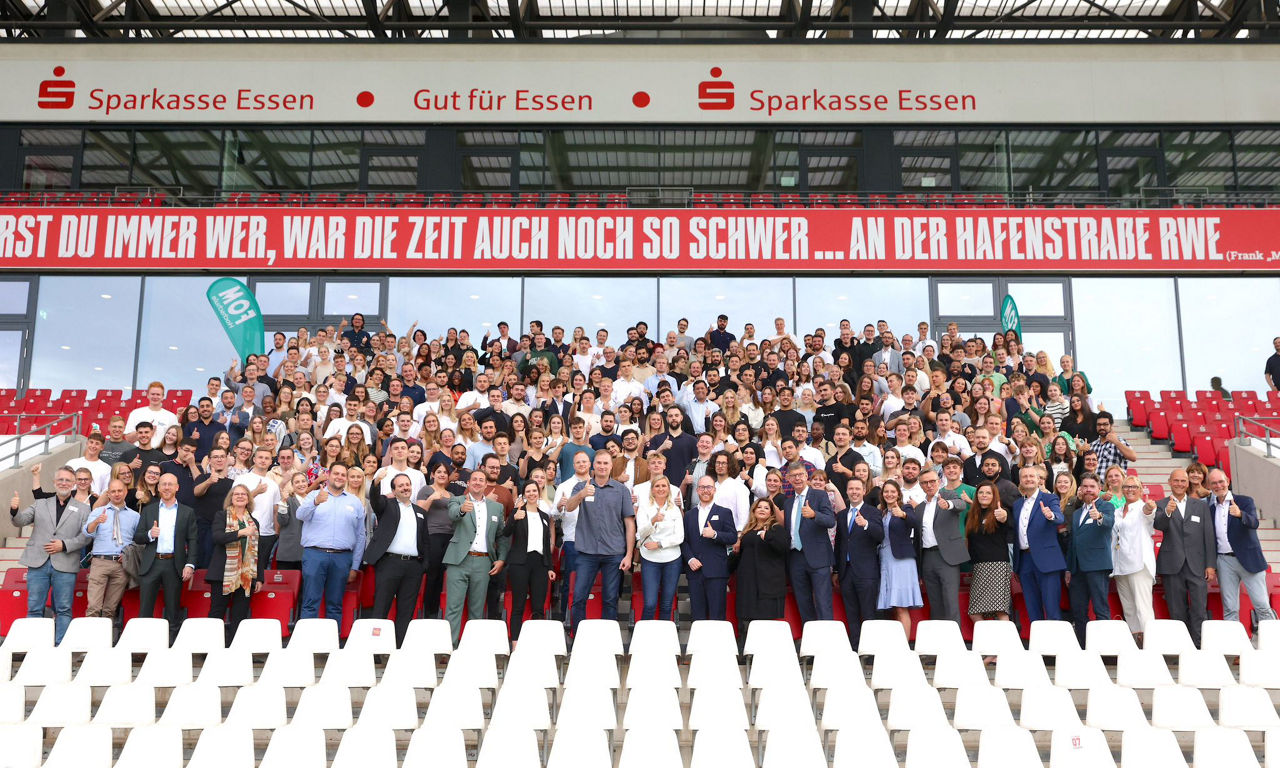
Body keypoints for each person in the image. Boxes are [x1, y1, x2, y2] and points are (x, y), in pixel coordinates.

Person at [566, 452, 636, 634]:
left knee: (610, 599)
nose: (602, 466)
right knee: (579, 597)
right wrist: (582, 494)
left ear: (611, 466)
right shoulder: (582, 486)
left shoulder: (621, 490)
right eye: (599, 463)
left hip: (613, 553)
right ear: (593, 465)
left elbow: (630, 524)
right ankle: (578, 638)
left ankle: (609, 641)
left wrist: (629, 555)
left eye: (606, 463)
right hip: (587, 552)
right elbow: (569, 507)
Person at [444, 470, 509, 646]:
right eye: (475, 480)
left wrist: (502, 558)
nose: (478, 483)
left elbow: (502, 535)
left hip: (483, 562)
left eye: (481, 480)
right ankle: (449, 648)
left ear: (486, 484)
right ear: (468, 483)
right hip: (458, 560)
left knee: (477, 608)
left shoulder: (496, 507)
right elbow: (452, 514)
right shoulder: (457, 500)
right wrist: (462, 510)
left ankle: (472, 648)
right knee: (453, 607)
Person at [296, 463, 368, 623]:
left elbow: (360, 536)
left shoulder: (355, 502)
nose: (339, 477)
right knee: (310, 602)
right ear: (328, 475)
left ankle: (333, 644)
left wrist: (355, 566)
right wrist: (315, 501)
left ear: (347, 479)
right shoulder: (313, 495)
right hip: (315, 554)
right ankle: (306, 643)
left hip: (342, 558)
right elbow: (300, 515)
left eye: (343, 475)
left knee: (335, 604)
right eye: (336, 473)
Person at [365, 471, 431, 646]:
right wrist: (376, 483)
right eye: (400, 485)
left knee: (406, 610)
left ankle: (400, 648)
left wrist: (423, 565)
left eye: (407, 484)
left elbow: (425, 541)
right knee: (381, 606)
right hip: (389, 563)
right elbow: (375, 499)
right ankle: (375, 650)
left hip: (413, 567)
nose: (405, 488)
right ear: (394, 491)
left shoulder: (420, 512)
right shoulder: (386, 505)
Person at [1154, 468, 1215, 648]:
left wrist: (1210, 565)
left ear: (1188, 483)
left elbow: (1208, 536)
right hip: (1171, 565)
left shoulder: (1200, 506)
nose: (1180, 484)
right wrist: (1167, 512)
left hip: (1197, 565)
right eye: (1176, 481)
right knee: (1176, 610)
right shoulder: (1161, 504)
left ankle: (1198, 647)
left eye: (1183, 481)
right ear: (1169, 482)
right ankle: (1182, 648)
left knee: (1199, 609)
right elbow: (1159, 525)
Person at [1207, 469, 1276, 625]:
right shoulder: (1210, 509)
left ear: (1228, 482)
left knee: (1262, 606)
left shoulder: (1244, 501)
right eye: (1214, 483)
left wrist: (1240, 514)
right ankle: (1234, 646)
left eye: (1221, 482)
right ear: (1209, 486)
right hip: (1224, 562)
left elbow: (1254, 523)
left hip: (1249, 559)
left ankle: (1274, 644)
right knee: (1230, 608)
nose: (1218, 485)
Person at [134, 473, 199, 640]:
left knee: (172, 608)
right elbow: (138, 536)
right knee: (145, 609)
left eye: (170, 484)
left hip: (174, 564)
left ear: (177, 487)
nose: (167, 487)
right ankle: (143, 645)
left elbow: (193, 540)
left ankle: (170, 645)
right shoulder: (149, 511)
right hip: (152, 563)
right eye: (163, 484)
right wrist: (149, 534)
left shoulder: (187, 512)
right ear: (158, 487)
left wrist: (190, 564)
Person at [207, 484, 263, 643]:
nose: (239, 497)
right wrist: (240, 533)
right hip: (222, 573)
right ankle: (210, 648)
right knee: (217, 612)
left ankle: (234, 648)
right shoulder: (221, 516)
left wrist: (259, 577)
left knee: (240, 615)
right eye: (236, 494)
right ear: (230, 498)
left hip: (246, 575)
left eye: (243, 494)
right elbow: (217, 538)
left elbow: (258, 550)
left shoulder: (254, 522)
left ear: (248, 499)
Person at [833, 476, 884, 648]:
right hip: (846, 572)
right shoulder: (841, 516)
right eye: (851, 489)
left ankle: (870, 651)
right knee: (851, 613)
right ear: (846, 492)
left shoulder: (873, 512)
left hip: (866, 572)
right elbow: (839, 544)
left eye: (857, 489)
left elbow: (880, 536)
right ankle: (855, 649)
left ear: (864, 491)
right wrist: (836, 571)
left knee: (869, 612)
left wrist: (866, 524)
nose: (854, 492)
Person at [502, 480, 556, 643]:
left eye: (534, 491)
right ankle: (515, 645)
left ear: (539, 493)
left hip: (540, 564)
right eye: (528, 491)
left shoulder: (544, 516)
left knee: (538, 607)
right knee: (518, 605)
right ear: (524, 494)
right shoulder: (518, 512)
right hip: (520, 563)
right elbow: (505, 533)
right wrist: (514, 518)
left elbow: (546, 544)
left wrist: (550, 567)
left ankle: (536, 643)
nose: (532, 494)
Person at [81, 478, 140, 624]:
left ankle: (104, 643)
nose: (117, 494)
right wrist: (96, 522)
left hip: (121, 564)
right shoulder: (98, 512)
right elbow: (87, 532)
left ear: (125, 492)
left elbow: (138, 540)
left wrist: (128, 555)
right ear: (108, 494)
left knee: (110, 609)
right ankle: (90, 644)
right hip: (100, 561)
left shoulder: (135, 516)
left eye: (120, 490)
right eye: (113, 491)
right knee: (93, 607)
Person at [783, 461, 836, 622]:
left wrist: (814, 515)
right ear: (789, 479)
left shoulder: (819, 495)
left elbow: (830, 521)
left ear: (806, 476)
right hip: (795, 557)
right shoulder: (788, 502)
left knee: (823, 602)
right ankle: (810, 643)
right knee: (803, 602)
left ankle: (826, 643)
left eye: (800, 475)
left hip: (818, 557)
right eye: (793, 476)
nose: (797, 478)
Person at [1064, 473, 1114, 645]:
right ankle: (1084, 647)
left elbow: (1109, 523)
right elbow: (1073, 542)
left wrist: (1099, 517)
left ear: (1099, 489)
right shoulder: (1077, 513)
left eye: (1092, 487)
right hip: (1077, 570)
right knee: (1078, 611)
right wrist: (1069, 569)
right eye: (1085, 486)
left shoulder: (1106, 507)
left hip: (1097, 566)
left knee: (1101, 609)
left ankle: (1105, 649)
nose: (1088, 490)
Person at [1012, 465, 1066, 623]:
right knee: (1033, 610)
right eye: (1024, 477)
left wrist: (1051, 516)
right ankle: (1038, 646)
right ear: (1020, 481)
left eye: (1031, 476)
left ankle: (1055, 647)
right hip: (1025, 561)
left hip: (1047, 560)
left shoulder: (1049, 499)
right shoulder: (1017, 505)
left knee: (1052, 610)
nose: (1028, 479)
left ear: (1039, 480)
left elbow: (1059, 517)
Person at [731, 497, 791, 635]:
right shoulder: (746, 531)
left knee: (764, 624)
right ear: (754, 510)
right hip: (747, 583)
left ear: (771, 512)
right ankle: (747, 654)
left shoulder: (776, 529)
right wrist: (736, 549)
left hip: (767, 584)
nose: (762, 510)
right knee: (745, 622)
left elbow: (783, 548)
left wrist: (768, 536)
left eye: (766, 508)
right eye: (759, 507)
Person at [917, 467, 969, 624]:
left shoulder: (948, 496)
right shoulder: (919, 508)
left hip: (947, 557)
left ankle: (955, 644)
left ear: (939, 482)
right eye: (925, 483)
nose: (929, 485)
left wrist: (948, 504)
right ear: (920, 485)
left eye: (932, 481)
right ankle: (938, 642)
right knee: (935, 603)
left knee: (950, 603)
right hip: (927, 557)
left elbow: (961, 504)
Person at [681, 475, 737, 621]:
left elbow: (732, 537)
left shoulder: (724, 512)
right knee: (697, 615)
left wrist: (715, 534)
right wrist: (690, 559)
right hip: (695, 572)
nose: (705, 491)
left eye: (709, 487)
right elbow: (684, 541)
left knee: (717, 615)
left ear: (714, 489)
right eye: (702, 487)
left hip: (716, 571)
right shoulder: (689, 515)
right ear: (697, 490)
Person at [964, 482, 1013, 637]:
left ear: (994, 496)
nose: (984, 495)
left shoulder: (999, 512)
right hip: (979, 567)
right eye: (981, 492)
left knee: (1000, 610)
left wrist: (1004, 516)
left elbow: (1006, 520)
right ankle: (991, 646)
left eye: (988, 493)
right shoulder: (972, 515)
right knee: (975, 612)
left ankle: (1004, 649)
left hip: (998, 565)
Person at [1113, 477, 1157, 645]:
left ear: (1140, 489)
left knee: (1143, 607)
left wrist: (1149, 508)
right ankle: (1135, 643)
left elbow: (1149, 514)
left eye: (1134, 487)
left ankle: (1151, 645)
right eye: (1126, 486)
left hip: (1139, 564)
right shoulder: (1118, 510)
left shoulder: (1141, 508)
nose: (1130, 489)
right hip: (1119, 564)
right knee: (1129, 609)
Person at [635, 475, 684, 621]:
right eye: (657, 486)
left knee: (667, 604)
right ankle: (643, 636)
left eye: (664, 486)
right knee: (650, 603)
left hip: (672, 559)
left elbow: (679, 537)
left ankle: (664, 639)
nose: (661, 489)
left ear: (669, 489)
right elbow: (640, 533)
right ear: (652, 490)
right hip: (650, 559)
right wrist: (653, 520)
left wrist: (659, 544)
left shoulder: (675, 509)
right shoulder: (645, 508)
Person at [876, 479, 921, 638]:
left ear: (898, 494)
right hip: (885, 560)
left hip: (901, 561)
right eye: (886, 491)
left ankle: (904, 647)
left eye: (892, 491)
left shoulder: (905, 508)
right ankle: (897, 643)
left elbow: (916, 522)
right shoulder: (880, 511)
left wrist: (902, 515)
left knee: (901, 606)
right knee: (894, 607)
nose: (889, 494)